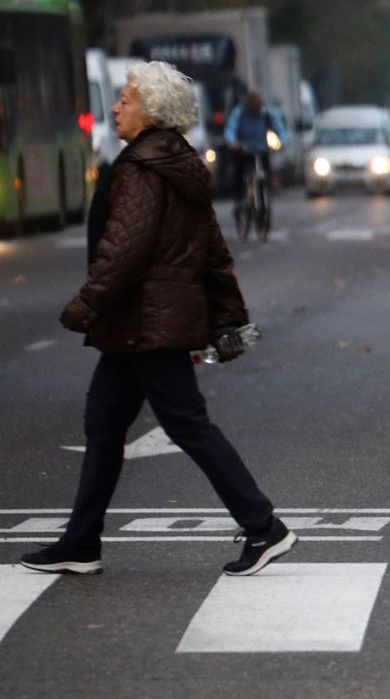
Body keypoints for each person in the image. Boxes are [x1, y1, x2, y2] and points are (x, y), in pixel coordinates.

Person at [21, 61, 296, 578]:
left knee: (187, 425)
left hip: (149, 323)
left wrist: (86, 304)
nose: (115, 107)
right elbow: (212, 251)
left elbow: (125, 249)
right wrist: (229, 318)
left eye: (126, 99)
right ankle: (81, 542)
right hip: (139, 325)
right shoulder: (177, 162)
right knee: (104, 422)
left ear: (151, 111)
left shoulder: (141, 168)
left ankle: (263, 526)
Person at [222, 91, 288, 204]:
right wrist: (232, 142)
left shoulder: (266, 114)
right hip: (243, 150)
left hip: (261, 150)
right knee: (239, 172)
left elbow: (281, 130)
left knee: (266, 172)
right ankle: (240, 200)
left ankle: (266, 194)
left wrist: (282, 142)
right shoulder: (239, 113)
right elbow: (230, 129)